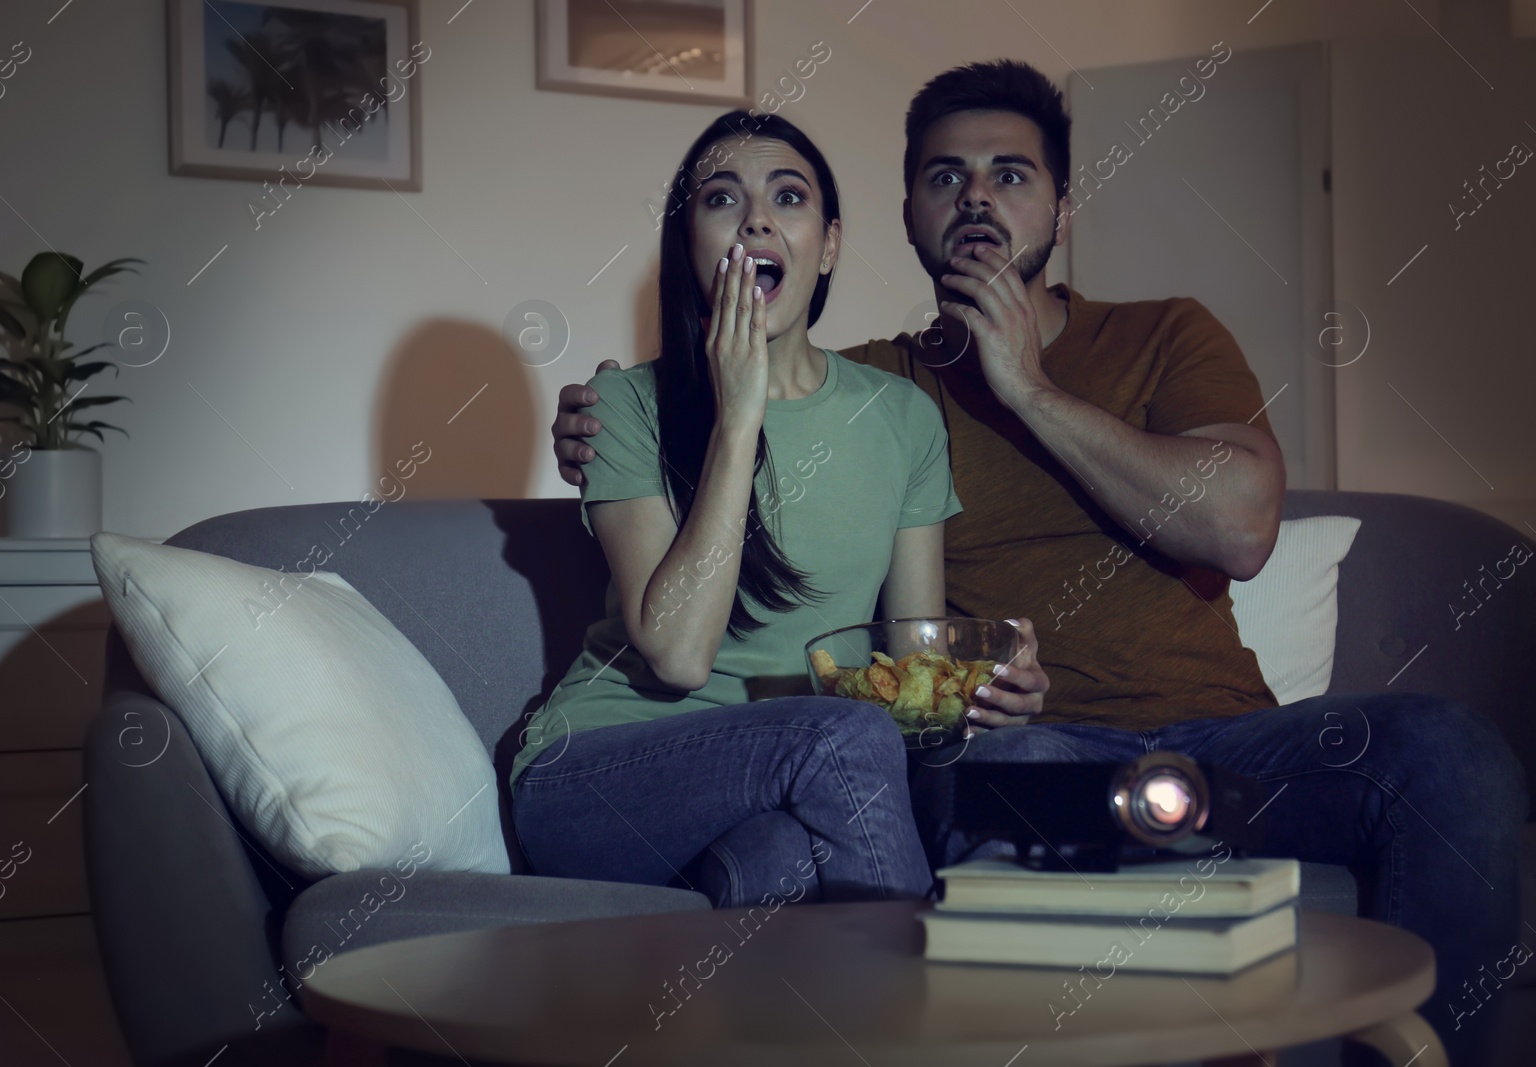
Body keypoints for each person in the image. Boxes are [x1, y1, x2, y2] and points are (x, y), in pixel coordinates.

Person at [553, 60, 1526, 1065]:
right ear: (903, 216)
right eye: (945, 177)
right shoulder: (882, 392)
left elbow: (1239, 525)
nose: (975, 195)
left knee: (1445, 748)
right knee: (988, 788)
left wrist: (1027, 389)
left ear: (1060, 210)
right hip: (1027, 749)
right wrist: (608, 413)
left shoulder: (1163, 334)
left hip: (1237, 740)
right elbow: (746, 405)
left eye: (1008, 175)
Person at [511, 109, 1049, 909]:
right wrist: (739, 416)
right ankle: (926, 1012)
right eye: (721, 199)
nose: (756, 216)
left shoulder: (900, 417)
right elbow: (681, 657)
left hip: (784, 777)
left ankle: (717, 973)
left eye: (787, 197)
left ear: (828, 244)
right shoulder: (624, 406)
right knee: (845, 735)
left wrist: (981, 688)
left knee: (779, 860)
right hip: (598, 774)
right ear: (689, 240)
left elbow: (907, 671)